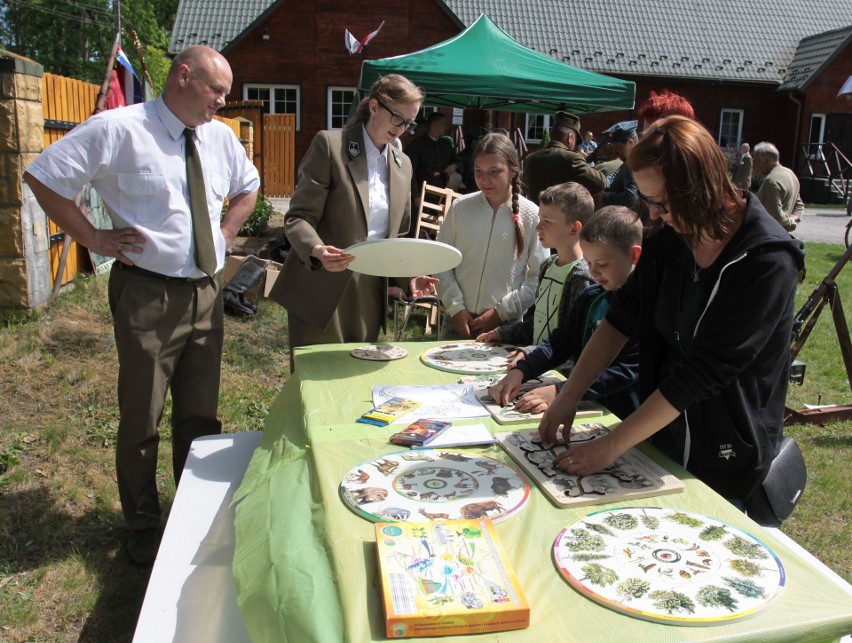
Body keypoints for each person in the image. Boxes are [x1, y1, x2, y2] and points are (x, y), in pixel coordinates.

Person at [24, 45, 261, 566]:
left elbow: (249, 186)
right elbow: (44, 175)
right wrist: (92, 237)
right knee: (142, 415)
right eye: (215, 89)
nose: (224, 101)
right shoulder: (118, 128)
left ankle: (192, 511)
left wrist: (224, 233)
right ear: (183, 77)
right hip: (146, 294)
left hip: (204, 293)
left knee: (200, 413)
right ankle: (142, 523)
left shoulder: (219, 139)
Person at [538, 116, 805, 518]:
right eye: (649, 203)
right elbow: (620, 318)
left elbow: (704, 371)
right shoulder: (673, 237)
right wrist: (569, 394)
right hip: (662, 432)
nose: (656, 216)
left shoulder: (767, 260)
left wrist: (612, 445)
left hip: (725, 451)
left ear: (700, 189)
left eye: (662, 203)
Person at [269, 75, 437, 360]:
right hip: (321, 284)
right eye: (397, 118)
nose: (402, 130)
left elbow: (397, 236)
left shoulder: (403, 164)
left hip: (369, 290)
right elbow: (298, 217)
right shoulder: (330, 145)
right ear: (374, 107)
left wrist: (407, 278)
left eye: (409, 123)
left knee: (355, 380)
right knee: (319, 379)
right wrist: (316, 250)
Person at [489, 206, 642, 419]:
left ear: (634, 255)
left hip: (624, 419)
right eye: (588, 262)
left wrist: (563, 391)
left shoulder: (648, 308)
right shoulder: (590, 298)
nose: (593, 271)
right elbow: (559, 343)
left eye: (602, 263)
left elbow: (628, 370)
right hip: (582, 408)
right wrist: (521, 371)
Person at [435, 132, 549, 338]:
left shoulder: (531, 215)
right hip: (457, 320)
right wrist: (456, 308)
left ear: (513, 171)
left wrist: (501, 312)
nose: (484, 180)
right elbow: (442, 262)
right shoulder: (460, 208)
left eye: (494, 172)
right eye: (479, 171)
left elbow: (538, 277)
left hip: (504, 326)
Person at [476, 181, 595, 353]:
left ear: (574, 228)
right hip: (535, 368)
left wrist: (530, 354)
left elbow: (574, 339)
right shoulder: (548, 266)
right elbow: (538, 321)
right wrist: (501, 333)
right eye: (540, 219)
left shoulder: (581, 278)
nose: (538, 227)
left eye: (547, 221)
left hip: (558, 376)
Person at [522, 112, 606, 204]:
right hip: (562, 215)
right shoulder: (571, 158)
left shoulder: (530, 159)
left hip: (534, 213)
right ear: (570, 137)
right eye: (575, 140)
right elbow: (600, 183)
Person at [753, 141, 804, 232]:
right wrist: (794, 218)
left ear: (767, 161)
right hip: (781, 234)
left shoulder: (771, 181)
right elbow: (799, 205)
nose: (754, 166)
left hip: (767, 234)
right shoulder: (791, 174)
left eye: (756, 161)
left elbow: (775, 216)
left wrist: (790, 222)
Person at [404, 111, 460, 193]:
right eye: (444, 124)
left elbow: (459, 161)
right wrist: (416, 195)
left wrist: (454, 166)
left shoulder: (446, 144)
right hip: (424, 191)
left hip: (444, 190)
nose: (446, 127)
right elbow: (411, 172)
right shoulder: (416, 145)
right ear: (435, 124)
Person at [598, 121, 639, 209]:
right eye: (614, 148)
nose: (616, 152)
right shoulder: (629, 161)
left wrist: (604, 197)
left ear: (630, 143)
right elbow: (614, 177)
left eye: (618, 147)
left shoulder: (634, 163)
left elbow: (631, 198)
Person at [457, 126, 488, 194]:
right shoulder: (461, 156)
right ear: (473, 142)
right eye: (480, 139)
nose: (483, 142)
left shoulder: (483, 156)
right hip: (467, 191)